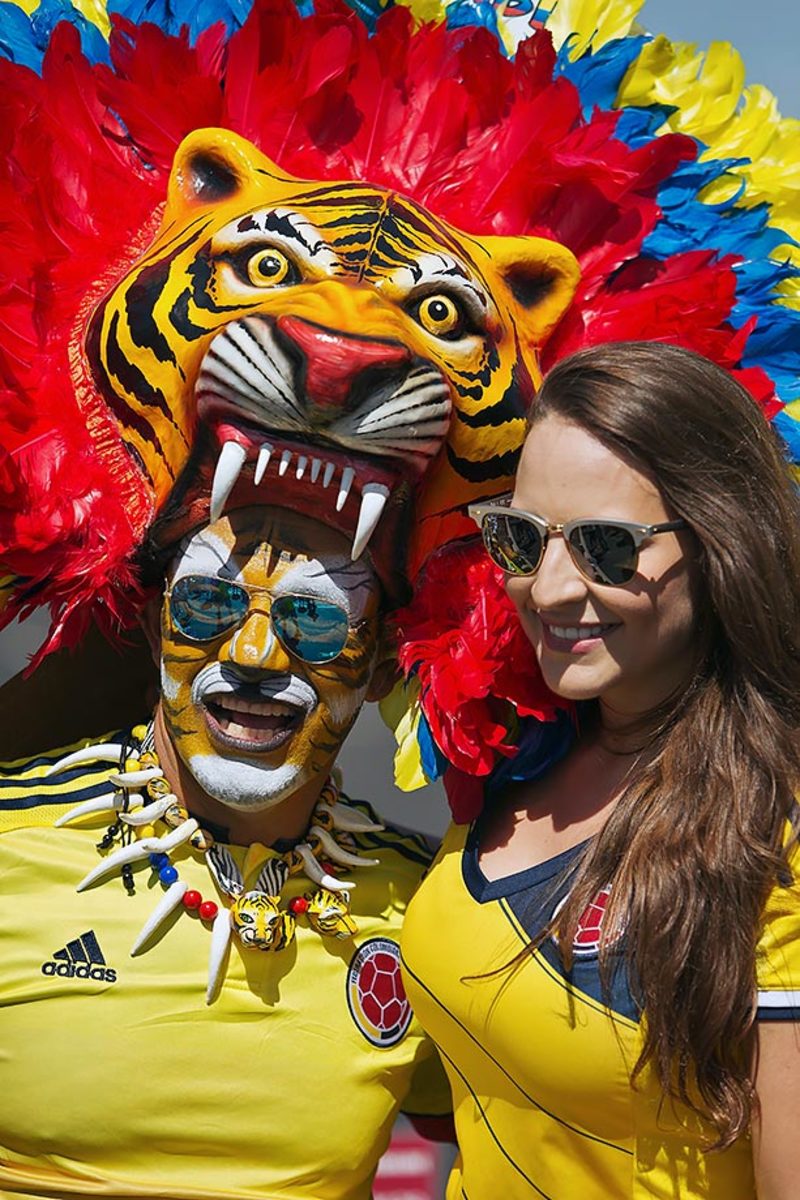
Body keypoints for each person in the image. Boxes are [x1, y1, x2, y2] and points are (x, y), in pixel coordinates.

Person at [400, 340, 800, 1199]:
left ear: (722, 541)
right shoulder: (518, 745)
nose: (546, 589)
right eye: (519, 537)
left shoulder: (779, 829)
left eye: (606, 548)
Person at [0, 500, 452, 1200]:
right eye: (210, 604)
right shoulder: (13, 840)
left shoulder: (428, 904)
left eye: (317, 619)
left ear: (387, 665)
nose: (253, 656)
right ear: (154, 628)